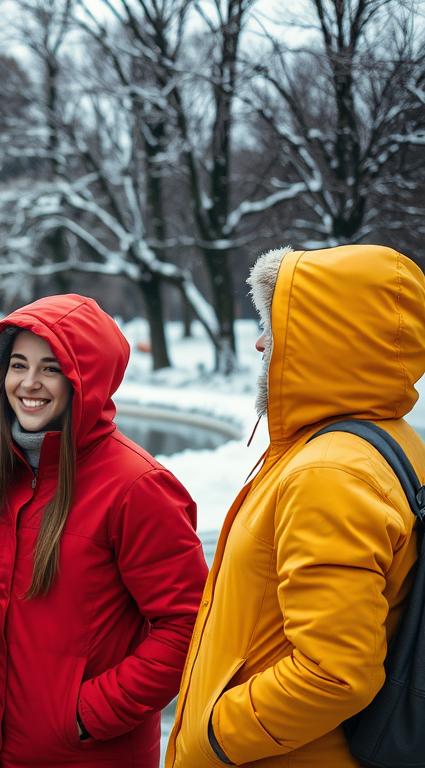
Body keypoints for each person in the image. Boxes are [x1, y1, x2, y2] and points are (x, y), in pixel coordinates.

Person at [165, 244, 425, 768]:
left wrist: (214, 735)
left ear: (328, 342)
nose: (261, 343)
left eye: (275, 328)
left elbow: (336, 673)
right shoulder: (384, 439)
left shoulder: (329, 472)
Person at [0, 294, 209, 768]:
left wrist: (89, 714)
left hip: (90, 754)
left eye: (51, 368)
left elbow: (188, 626)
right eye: (18, 364)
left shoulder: (137, 488)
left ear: (83, 379)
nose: (29, 384)